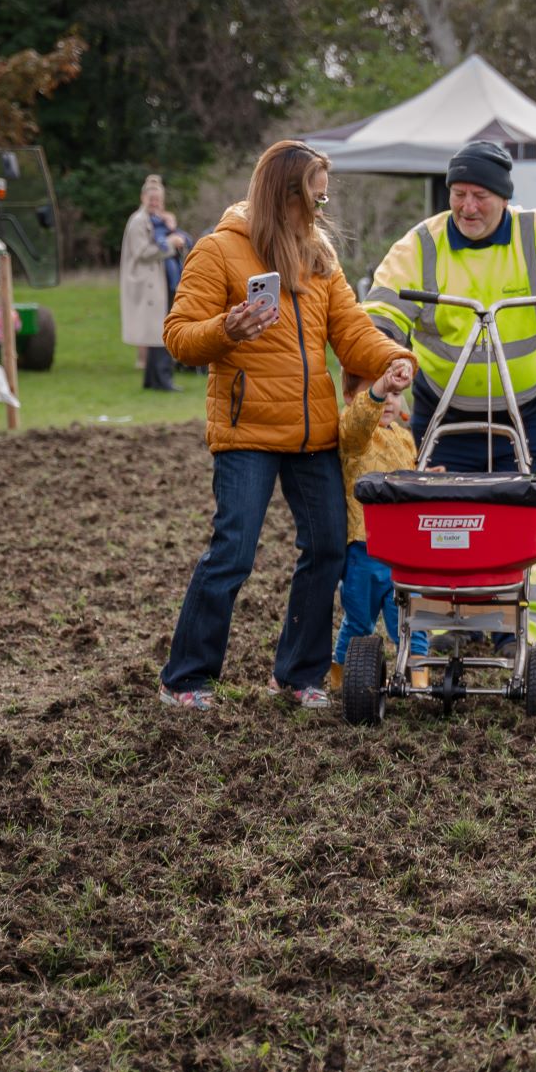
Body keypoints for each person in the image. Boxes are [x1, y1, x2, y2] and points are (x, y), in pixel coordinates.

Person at [158, 141, 415, 712]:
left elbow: (351, 331)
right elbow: (178, 335)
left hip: (313, 432)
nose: (324, 202)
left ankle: (298, 675)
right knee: (233, 553)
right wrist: (228, 328)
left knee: (326, 549)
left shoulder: (318, 257)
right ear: (285, 192)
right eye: (315, 191)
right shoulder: (220, 251)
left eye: (326, 190)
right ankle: (186, 680)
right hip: (247, 430)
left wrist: (390, 358)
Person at [364, 140, 536, 643]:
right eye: (459, 194)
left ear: (503, 197)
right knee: (444, 519)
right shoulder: (422, 244)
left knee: (526, 517)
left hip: (529, 406)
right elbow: (380, 311)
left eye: (480, 195)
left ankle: (523, 632)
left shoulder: (535, 229)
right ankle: (451, 624)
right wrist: (387, 366)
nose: (468, 207)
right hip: (444, 408)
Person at [332, 363, 424, 693]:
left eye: (395, 393)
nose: (388, 400)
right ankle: (341, 676)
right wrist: (376, 393)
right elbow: (358, 422)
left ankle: (418, 677)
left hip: (405, 552)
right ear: (349, 398)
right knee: (359, 620)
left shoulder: (404, 438)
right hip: (364, 549)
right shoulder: (354, 436)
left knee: (412, 618)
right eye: (379, 394)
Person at [122, 176, 185, 392]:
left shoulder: (157, 219)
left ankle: (152, 380)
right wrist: (170, 243)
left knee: (157, 331)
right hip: (148, 284)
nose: (155, 202)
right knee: (160, 332)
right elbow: (141, 252)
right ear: (143, 198)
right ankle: (163, 380)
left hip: (159, 281)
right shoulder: (139, 221)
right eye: (151, 198)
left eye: (158, 199)